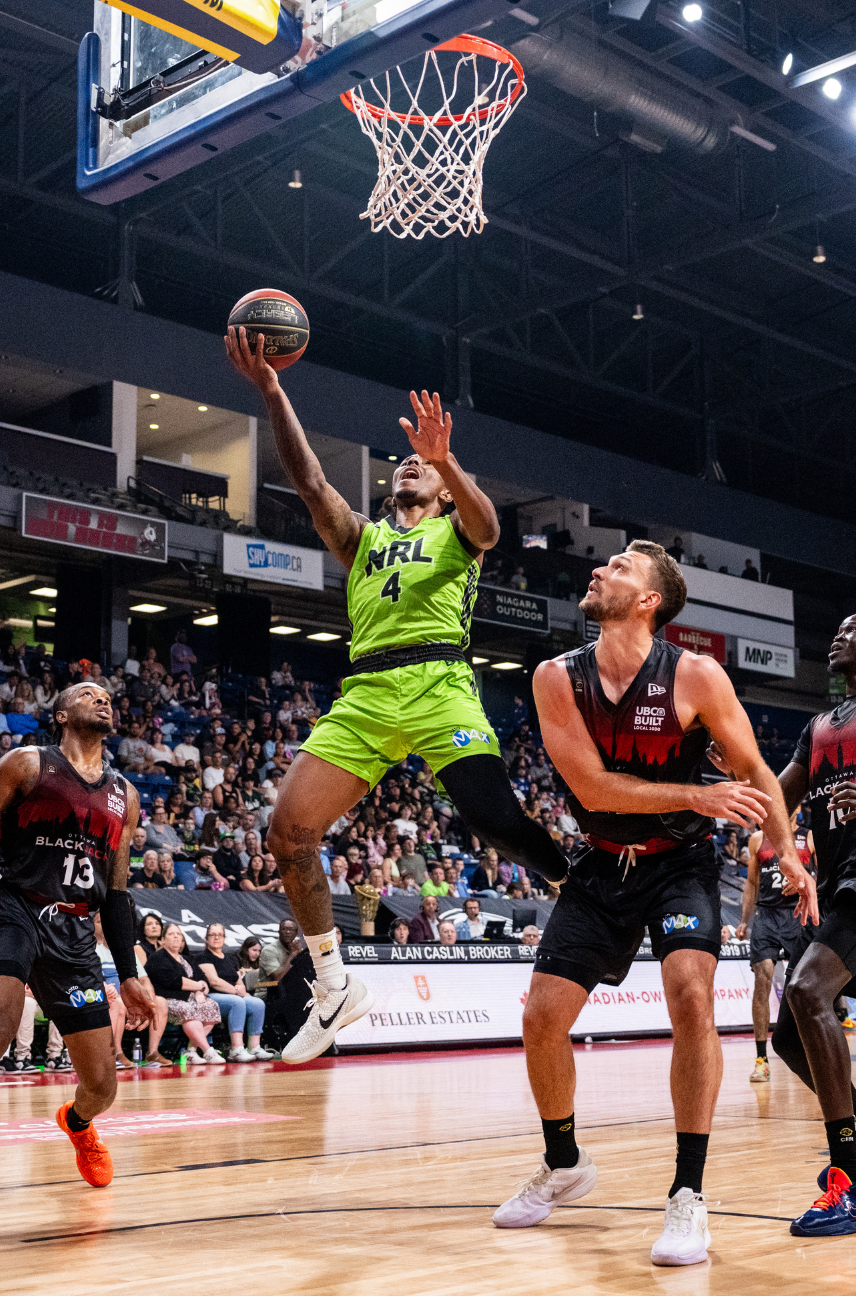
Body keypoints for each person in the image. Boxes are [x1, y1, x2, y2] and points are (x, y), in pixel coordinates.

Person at [226, 327, 570, 1063]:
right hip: (369, 693)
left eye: (425, 465)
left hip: (441, 680)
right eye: (406, 461)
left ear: (442, 486)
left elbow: (490, 524)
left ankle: (580, 883)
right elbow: (312, 482)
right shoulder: (362, 539)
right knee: (287, 833)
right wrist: (272, 390)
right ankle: (333, 984)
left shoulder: (456, 530)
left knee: (495, 820)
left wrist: (449, 460)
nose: (411, 465)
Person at [493, 540, 816, 1266]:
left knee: (690, 995)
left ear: (648, 603)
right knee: (541, 1016)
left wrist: (787, 852)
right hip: (603, 864)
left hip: (681, 867)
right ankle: (564, 1162)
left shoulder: (695, 675)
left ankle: (688, 1195)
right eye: (604, 563)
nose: (600, 570)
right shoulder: (555, 678)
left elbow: (760, 772)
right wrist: (698, 794)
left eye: (620, 569)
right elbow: (592, 790)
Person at [0, 681, 153, 1186]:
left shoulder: (123, 796)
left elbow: (117, 891)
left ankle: (78, 1123)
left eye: (107, 695)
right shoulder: (26, 764)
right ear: (61, 715)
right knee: (3, 1017)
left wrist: (129, 974)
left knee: (103, 1085)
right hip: (15, 904)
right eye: (88, 694)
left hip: (75, 931)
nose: (103, 698)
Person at [747, 614, 856, 1237]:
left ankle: (846, 1177)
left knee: (808, 988)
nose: (838, 634)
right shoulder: (818, 730)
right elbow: (775, 803)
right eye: (835, 627)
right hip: (842, 888)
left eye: (853, 628)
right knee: (790, 1036)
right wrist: (734, 778)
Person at [736, 811, 815, 1083]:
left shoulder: (808, 837)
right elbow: (751, 883)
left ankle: (806, 1048)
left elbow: (822, 875)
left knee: (800, 986)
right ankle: (761, 1059)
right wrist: (744, 921)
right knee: (763, 977)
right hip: (766, 916)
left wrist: (803, 881)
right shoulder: (758, 839)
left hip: (797, 915)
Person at [144, 924, 224, 1063]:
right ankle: (207, 1050)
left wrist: (201, 991)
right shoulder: (158, 958)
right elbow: (175, 982)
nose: (176, 936)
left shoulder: (187, 959)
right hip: (167, 1000)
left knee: (211, 1006)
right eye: (171, 934)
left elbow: (204, 980)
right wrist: (198, 986)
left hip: (190, 998)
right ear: (162, 940)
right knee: (189, 1009)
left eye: (178, 934)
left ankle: (191, 1051)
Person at [197, 924, 272, 1061]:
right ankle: (236, 1049)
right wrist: (236, 992)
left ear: (224, 938)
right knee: (237, 1002)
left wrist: (242, 991)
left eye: (220, 934)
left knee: (257, 1003)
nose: (216, 937)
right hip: (212, 995)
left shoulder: (231, 958)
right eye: (212, 935)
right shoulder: (203, 956)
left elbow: (239, 982)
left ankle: (254, 1047)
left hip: (234, 995)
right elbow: (214, 981)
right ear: (206, 938)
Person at [257, 919, 304, 1003]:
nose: (288, 932)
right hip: (267, 995)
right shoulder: (269, 950)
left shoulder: (296, 950)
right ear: (279, 931)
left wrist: (299, 955)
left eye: (291, 929)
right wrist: (292, 956)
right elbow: (278, 978)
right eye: (284, 929)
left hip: (287, 993)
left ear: (296, 933)